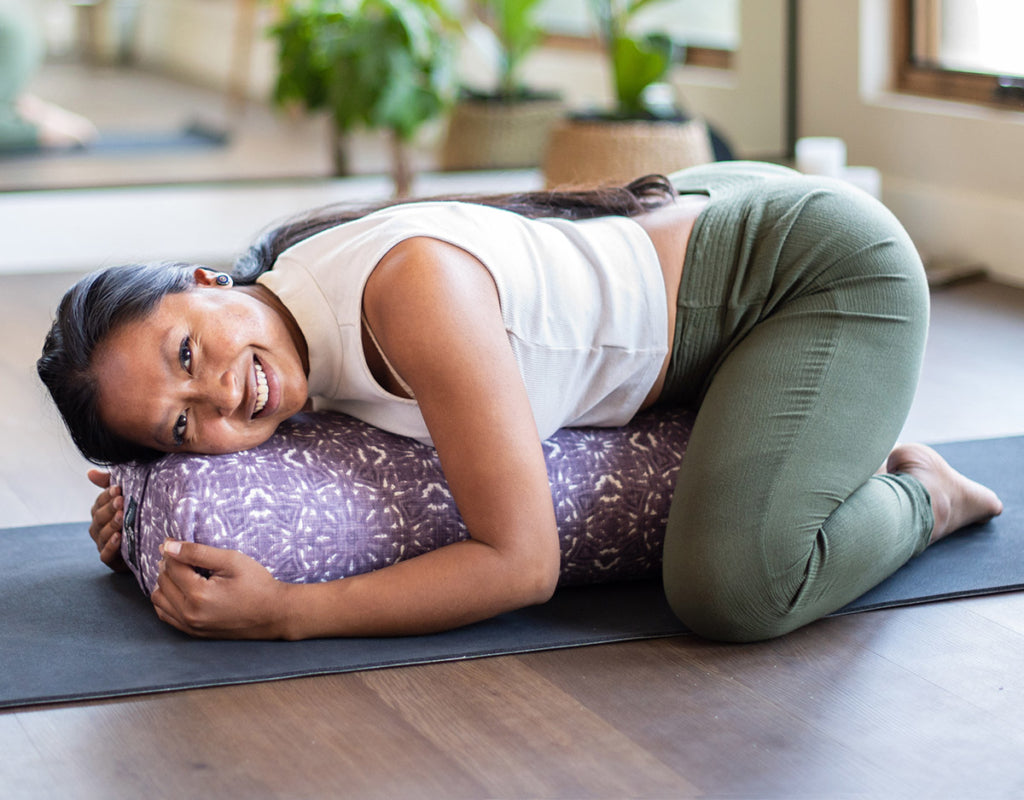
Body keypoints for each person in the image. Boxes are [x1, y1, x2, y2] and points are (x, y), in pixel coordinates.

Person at [38, 162, 1003, 642]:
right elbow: (254, 456)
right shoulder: (288, 313)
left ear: (205, 278)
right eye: (178, 424)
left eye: (186, 349)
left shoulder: (405, 296)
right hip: (683, 242)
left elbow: (521, 562)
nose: (217, 393)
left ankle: (926, 492)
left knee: (733, 590)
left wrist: (292, 612)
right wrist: (147, 510)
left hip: (802, 273)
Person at [0, 11, 98, 152]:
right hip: (16, 31)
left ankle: (43, 126)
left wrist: (36, 133)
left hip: (10, 37)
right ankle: (30, 115)